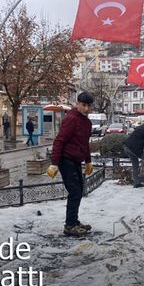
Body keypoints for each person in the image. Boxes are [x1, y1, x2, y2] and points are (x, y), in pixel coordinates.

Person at [46, 92, 95, 237]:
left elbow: (85, 143)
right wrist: (54, 163)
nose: (86, 108)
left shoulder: (87, 122)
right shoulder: (71, 119)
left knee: (79, 190)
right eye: (83, 105)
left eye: (89, 106)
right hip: (65, 159)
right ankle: (70, 225)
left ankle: (74, 221)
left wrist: (88, 161)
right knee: (74, 192)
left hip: (75, 160)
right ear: (77, 104)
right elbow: (59, 141)